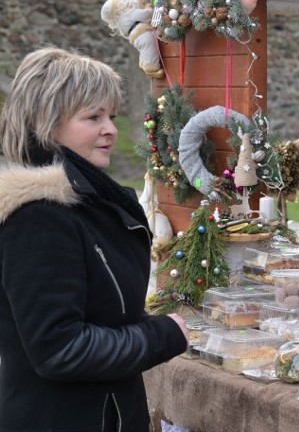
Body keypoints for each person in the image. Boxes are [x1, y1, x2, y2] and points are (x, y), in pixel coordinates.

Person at [0, 48, 189, 431]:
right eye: (93, 117)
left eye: (111, 116)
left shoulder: (85, 203)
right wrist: (161, 335)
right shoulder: (40, 218)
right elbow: (60, 349)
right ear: (47, 124)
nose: (111, 129)